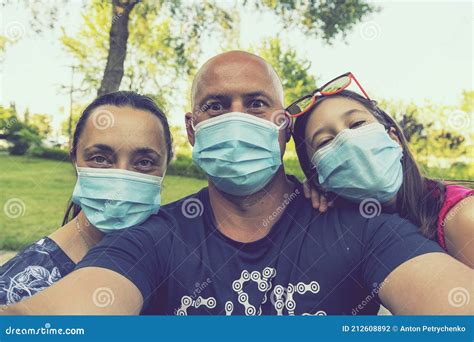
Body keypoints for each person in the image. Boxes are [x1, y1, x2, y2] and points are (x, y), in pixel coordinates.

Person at [1, 52, 472, 316]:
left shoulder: (360, 227)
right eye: (215, 105)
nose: (236, 118)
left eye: (256, 103)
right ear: (191, 129)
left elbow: (453, 304)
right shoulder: (156, 238)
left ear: (283, 127)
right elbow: (58, 316)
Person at [0, 91, 173, 305]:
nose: (120, 179)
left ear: (166, 166)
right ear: (75, 160)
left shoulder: (182, 256)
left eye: (144, 162)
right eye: (100, 159)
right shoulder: (18, 289)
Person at [289, 72, 474, 268]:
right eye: (325, 141)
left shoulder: (463, 217)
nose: (349, 141)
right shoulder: (341, 230)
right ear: (318, 177)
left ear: (394, 138)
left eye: (358, 124)